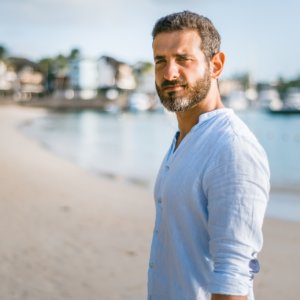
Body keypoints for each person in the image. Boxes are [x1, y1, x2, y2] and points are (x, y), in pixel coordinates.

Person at [147, 11, 270, 300]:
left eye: (183, 59)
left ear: (215, 65)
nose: (169, 73)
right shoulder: (184, 139)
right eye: (160, 61)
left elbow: (234, 274)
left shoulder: (232, 147)